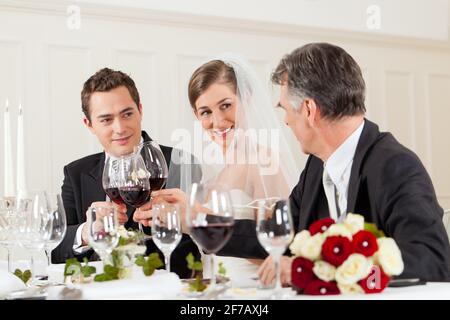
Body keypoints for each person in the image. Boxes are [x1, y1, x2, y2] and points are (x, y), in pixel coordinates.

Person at [258, 42, 450, 285]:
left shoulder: (395, 166)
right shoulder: (316, 167)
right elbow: (282, 232)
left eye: (285, 110)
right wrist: (203, 222)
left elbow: (432, 260)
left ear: (309, 109)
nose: (286, 121)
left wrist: (314, 269)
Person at [134, 54, 300, 285]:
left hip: (253, 290)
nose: (218, 121)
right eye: (206, 112)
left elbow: (281, 252)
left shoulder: (263, 161)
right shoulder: (211, 168)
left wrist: (198, 216)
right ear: (196, 115)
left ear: (247, 99)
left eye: (226, 106)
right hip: (216, 287)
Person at [51, 68, 200, 279]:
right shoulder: (76, 173)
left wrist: (176, 222)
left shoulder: (181, 163)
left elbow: (198, 249)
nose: (120, 128)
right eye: (106, 120)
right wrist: (87, 232)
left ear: (140, 110)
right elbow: (54, 248)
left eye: (127, 114)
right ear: (89, 125)